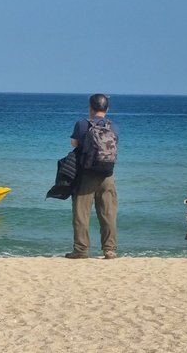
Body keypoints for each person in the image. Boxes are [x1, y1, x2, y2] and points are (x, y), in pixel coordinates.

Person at [65, 94, 119, 260]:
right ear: (107, 109)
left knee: (82, 214)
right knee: (108, 214)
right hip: (107, 174)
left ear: (90, 108)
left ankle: (81, 250)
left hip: (86, 174)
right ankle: (109, 250)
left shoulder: (82, 124)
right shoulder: (114, 126)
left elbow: (74, 143)